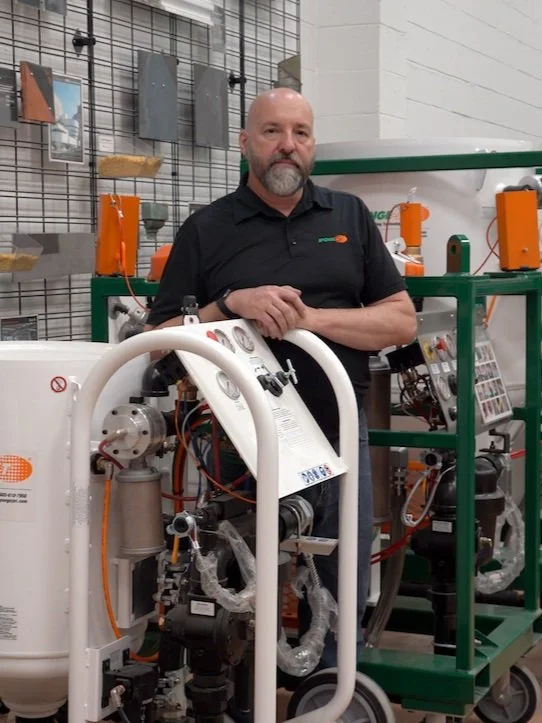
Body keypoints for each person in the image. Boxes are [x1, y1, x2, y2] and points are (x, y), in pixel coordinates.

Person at [145, 88, 417, 679]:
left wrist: (309, 320)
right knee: (239, 579)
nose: (287, 145)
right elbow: (158, 340)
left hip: (338, 431)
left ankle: (332, 692)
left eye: (300, 132)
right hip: (239, 440)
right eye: (272, 132)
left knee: (342, 573)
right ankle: (240, 699)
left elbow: (401, 321)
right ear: (246, 143)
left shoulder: (349, 217)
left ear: (313, 145)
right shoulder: (207, 229)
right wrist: (230, 305)